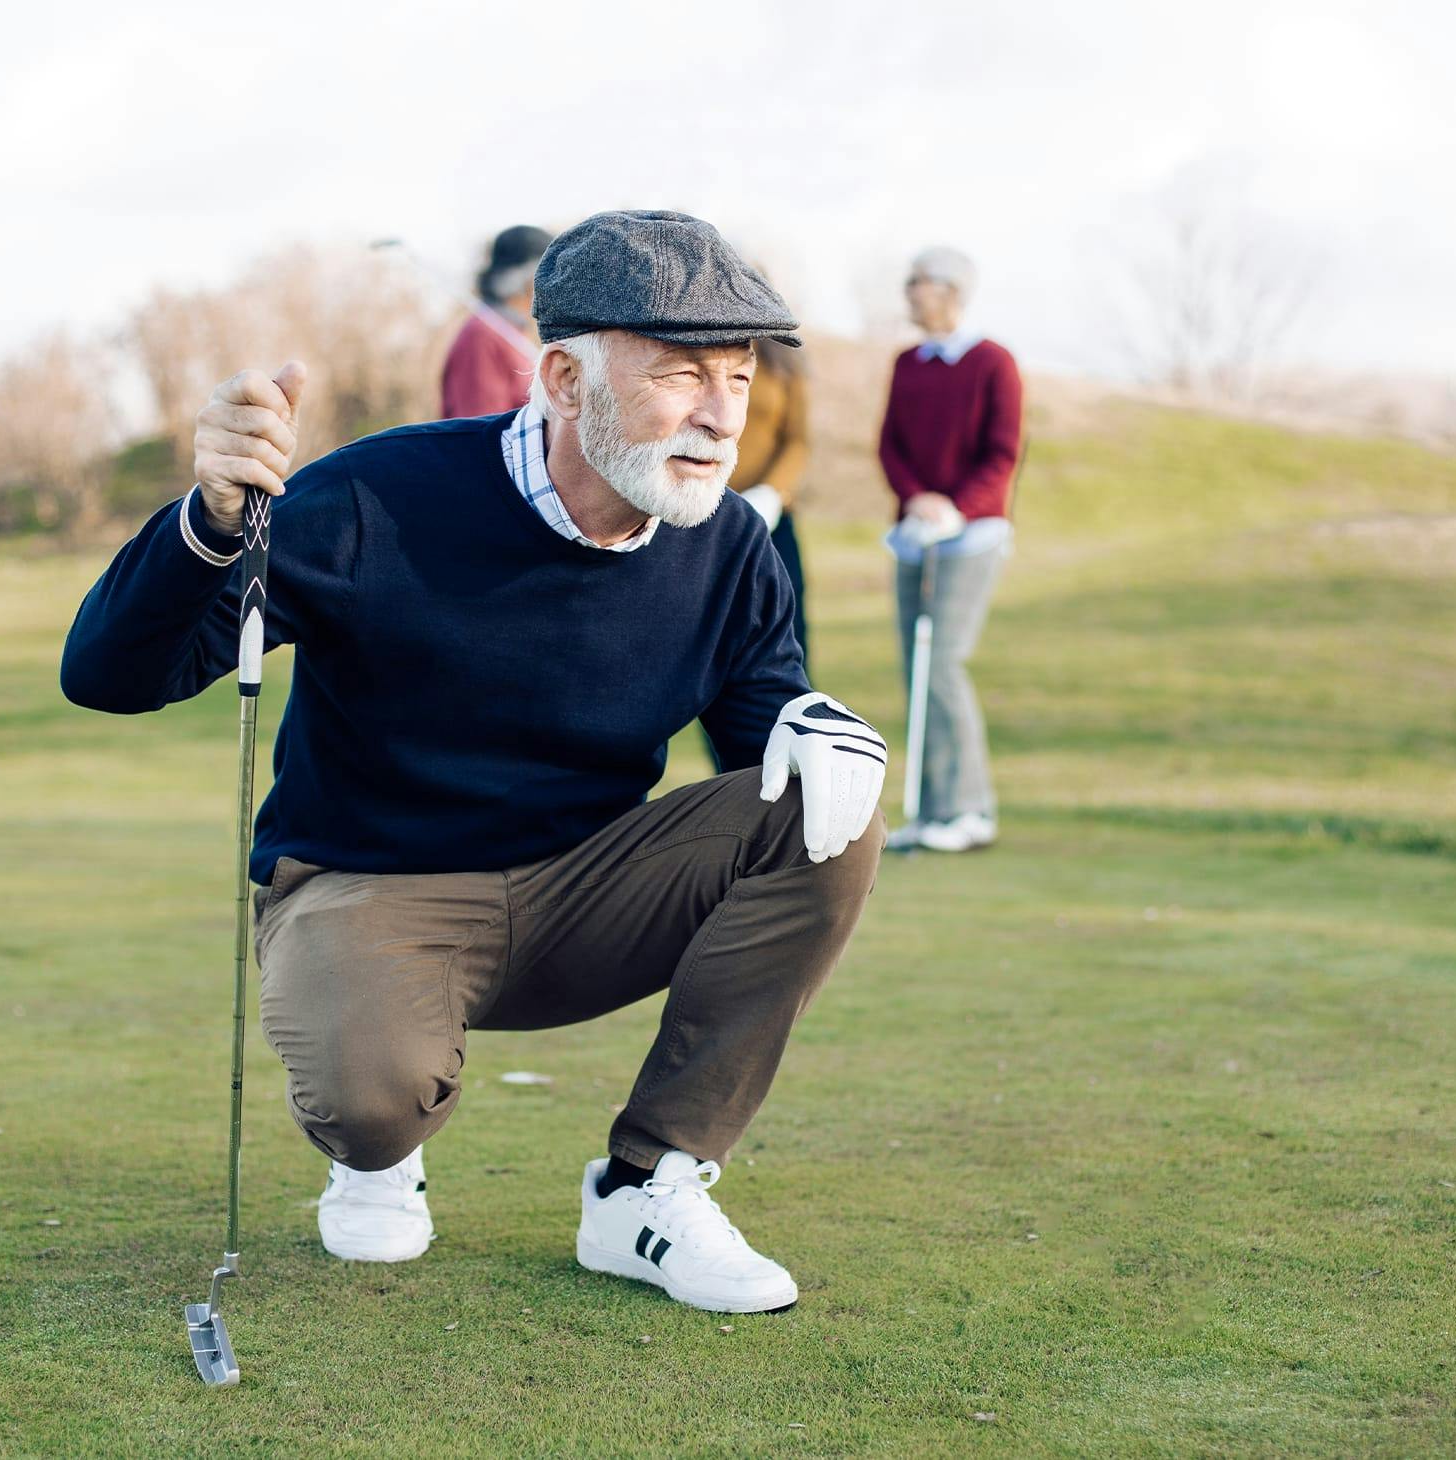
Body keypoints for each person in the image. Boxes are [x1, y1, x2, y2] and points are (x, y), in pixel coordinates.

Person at [63, 211, 888, 1315]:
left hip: (582, 894)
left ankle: (647, 1186)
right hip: (370, 889)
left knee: (825, 809)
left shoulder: (728, 542)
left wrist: (810, 722)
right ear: (561, 376)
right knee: (372, 1095)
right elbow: (112, 673)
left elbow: (759, 747)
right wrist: (210, 523)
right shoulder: (375, 497)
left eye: (736, 379)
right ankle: (376, 1152)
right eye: (682, 376)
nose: (719, 416)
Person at [877, 246, 1023, 853]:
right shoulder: (908, 362)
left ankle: (971, 810)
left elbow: (1002, 452)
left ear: (949, 291)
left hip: (973, 534)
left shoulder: (993, 362)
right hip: (916, 535)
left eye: (918, 283)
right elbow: (890, 446)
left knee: (943, 666)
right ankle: (934, 814)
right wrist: (917, 499)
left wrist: (954, 506)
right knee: (917, 668)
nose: (908, 292)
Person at [727, 333, 811, 667]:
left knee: (787, 638)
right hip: (705, 517)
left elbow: (798, 441)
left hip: (769, 519)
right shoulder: (697, 345)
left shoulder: (783, 359)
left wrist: (771, 493)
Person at [439, 224, 551, 418]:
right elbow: (478, 427)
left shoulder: (513, 333)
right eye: (547, 273)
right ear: (525, 278)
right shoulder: (481, 336)